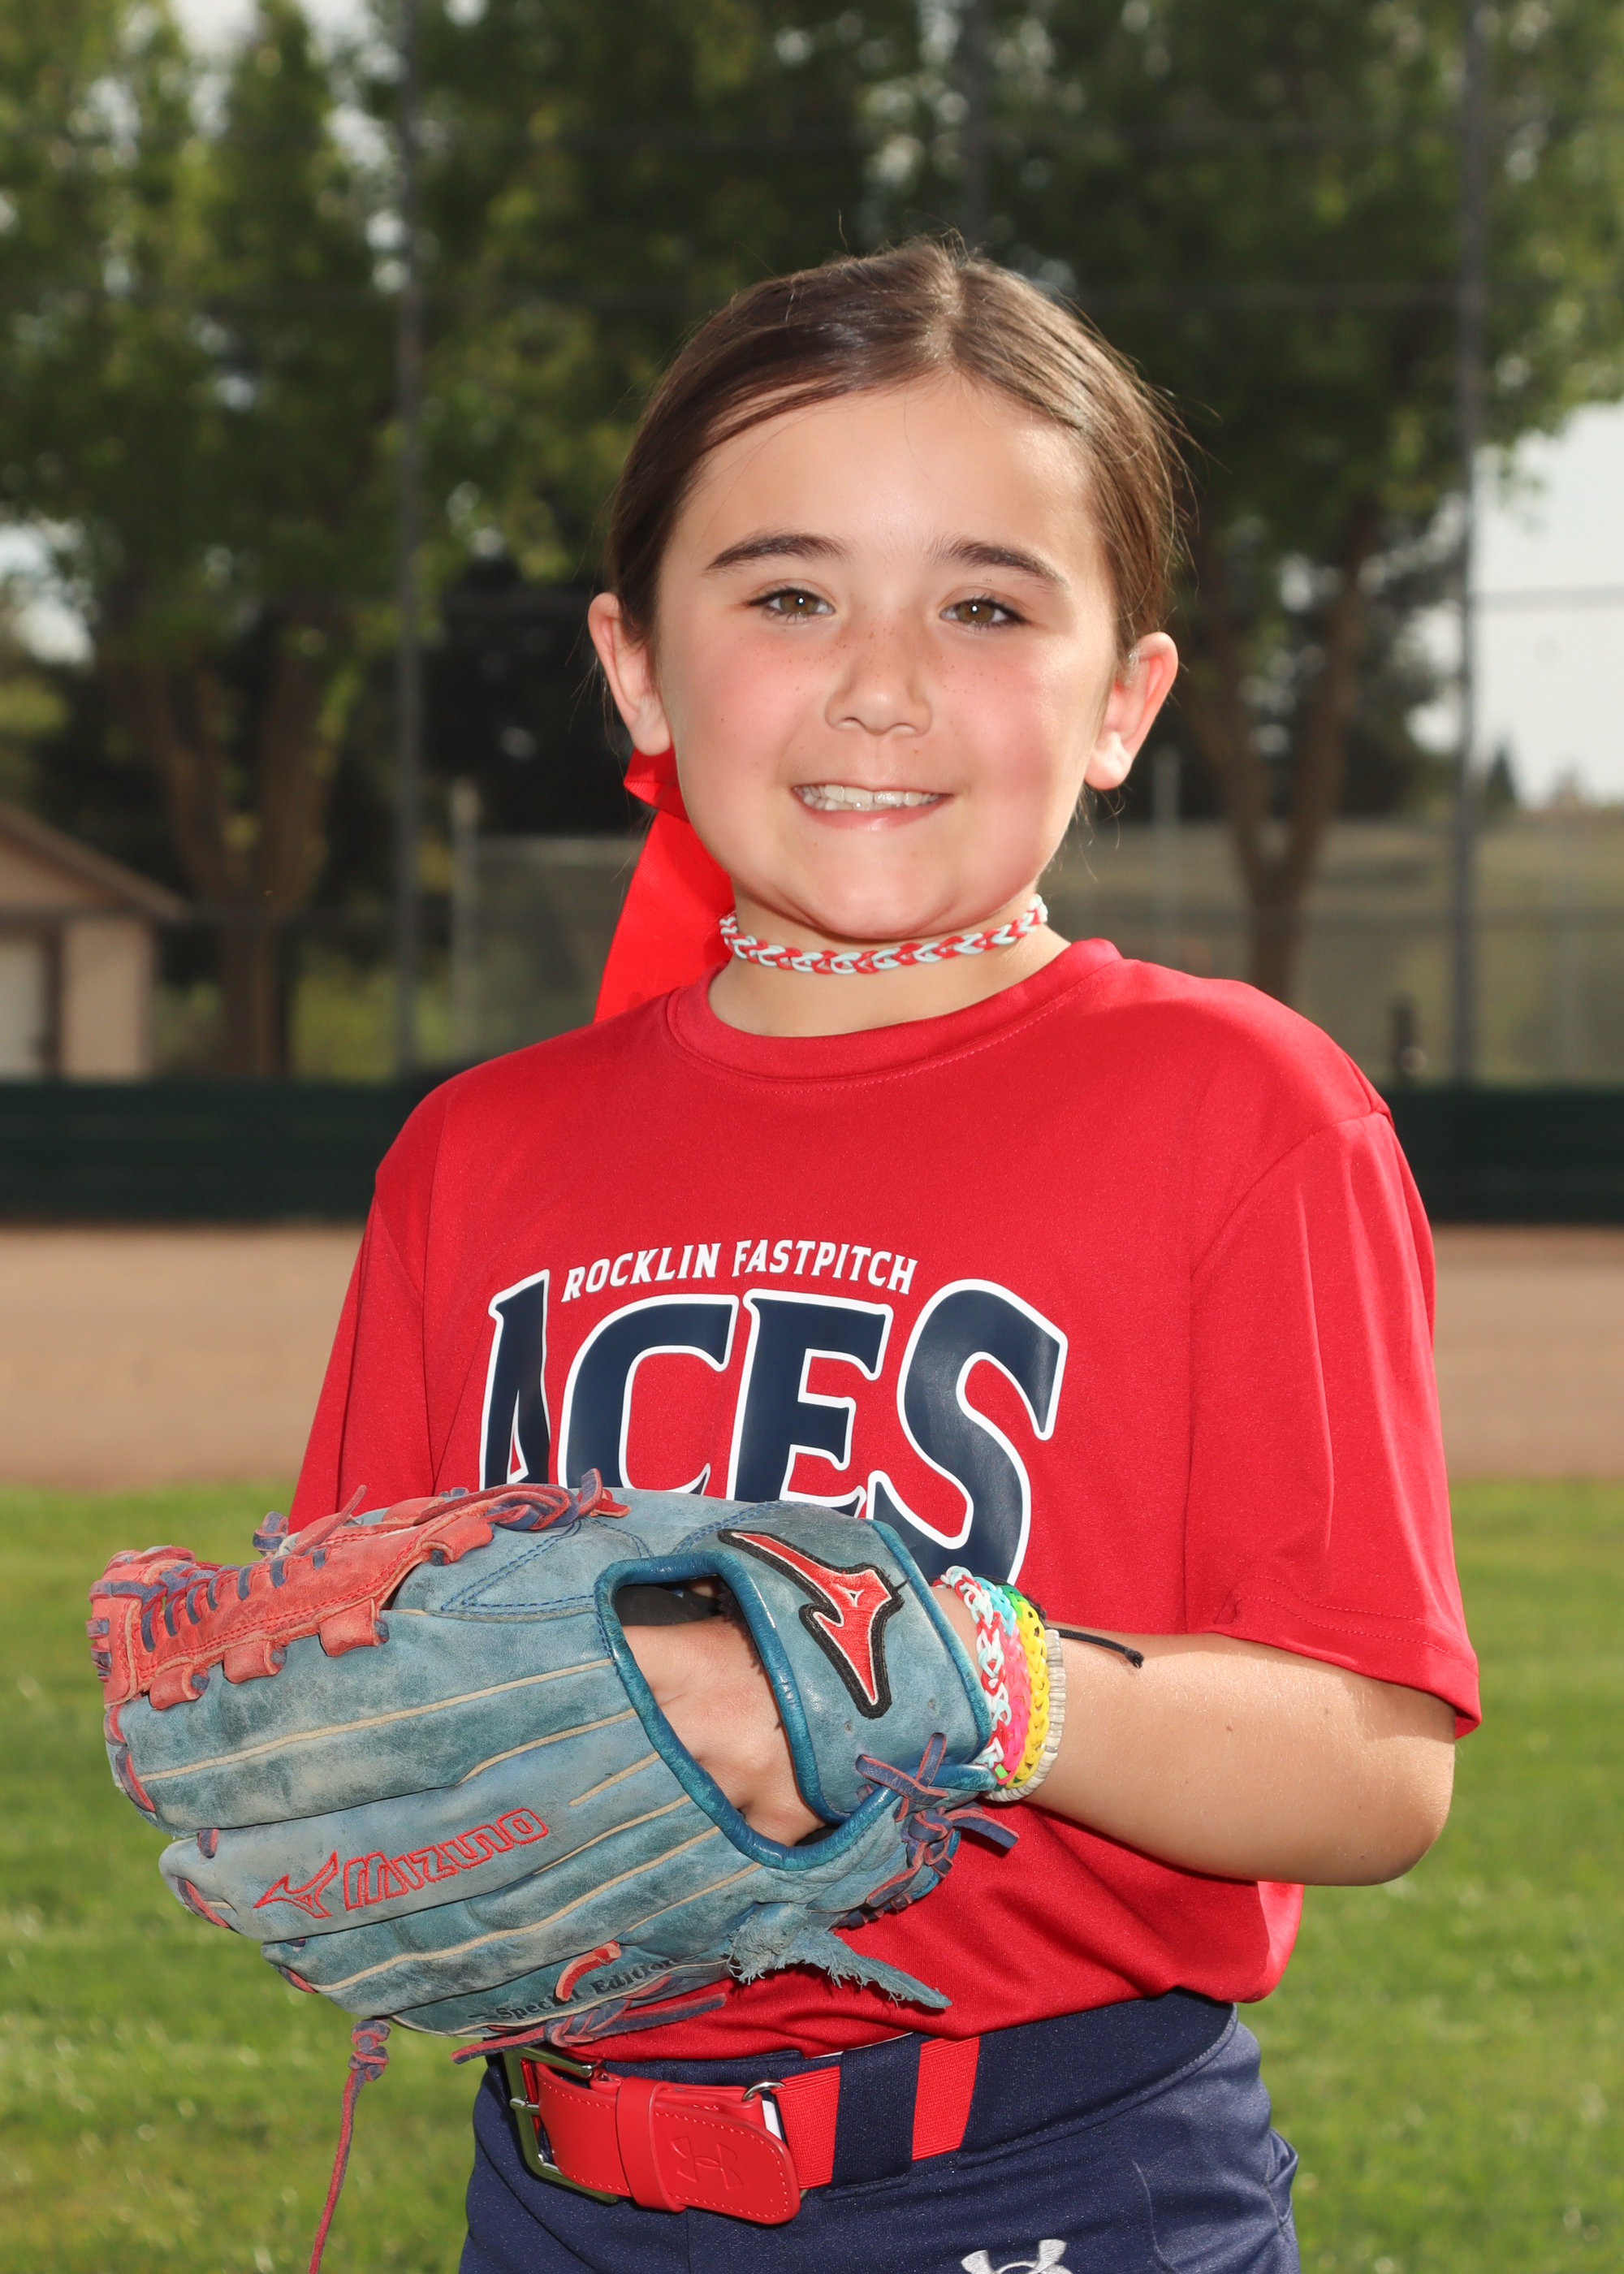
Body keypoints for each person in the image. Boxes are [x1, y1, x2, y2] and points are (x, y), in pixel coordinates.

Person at [292, 240, 1478, 2274]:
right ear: (635, 667)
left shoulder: (1242, 1108)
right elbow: (362, 1713)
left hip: (1044, 2176)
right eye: (787, 593)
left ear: (1125, 699)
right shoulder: (476, 1156)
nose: (881, 682)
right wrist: (346, 1753)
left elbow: (1370, 1770)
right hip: (558, 2195)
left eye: (985, 604)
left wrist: (959, 1678)